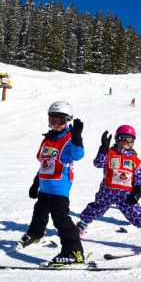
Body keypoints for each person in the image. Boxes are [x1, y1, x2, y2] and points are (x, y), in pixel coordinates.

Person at [76, 125, 141, 250]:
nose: (125, 143)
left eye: (129, 140)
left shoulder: (134, 159)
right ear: (117, 139)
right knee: (95, 208)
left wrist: (138, 189)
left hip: (125, 193)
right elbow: (98, 163)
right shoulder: (109, 153)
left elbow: (139, 176)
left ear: (133, 142)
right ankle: (81, 226)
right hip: (107, 191)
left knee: (135, 212)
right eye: (123, 139)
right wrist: (103, 149)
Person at [19, 101, 85, 266]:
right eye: (52, 121)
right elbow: (44, 163)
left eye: (60, 121)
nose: (55, 125)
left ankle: (74, 252)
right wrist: (36, 182)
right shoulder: (48, 140)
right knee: (39, 211)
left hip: (59, 187)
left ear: (68, 121)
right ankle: (35, 234)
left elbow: (77, 155)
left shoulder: (69, 139)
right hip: (45, 186)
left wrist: (77, 139)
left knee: (60, 218)